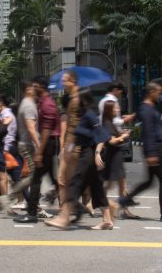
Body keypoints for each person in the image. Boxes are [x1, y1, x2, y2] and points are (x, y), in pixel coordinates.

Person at [45, 92, 113, 230]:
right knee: (97, 187)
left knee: (75, 183)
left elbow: (102, 135)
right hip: (83, 151)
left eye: (75, 101)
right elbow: (77, 139)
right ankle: (107, 220)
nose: (72, 103)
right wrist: (66, 151)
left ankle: (64, 217)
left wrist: (97, 153)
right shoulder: (80, 117)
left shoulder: (89, 115)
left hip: (89, 153)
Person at [118, 81, 162, 223]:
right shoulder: (147, 109)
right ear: (152, 92)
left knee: (149, 182)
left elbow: (155, 127)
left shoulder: (149, 108)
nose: (159, 95)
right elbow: (148, 132)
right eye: (158, 92)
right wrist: (151, 153)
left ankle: (126, 199)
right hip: (155, 150)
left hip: (154, 149)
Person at [20, 77, 59, 223]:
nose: (33, 88)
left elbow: (47, 130)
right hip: (48, 144)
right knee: (51, 179)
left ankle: (31, 213)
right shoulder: (42, 103)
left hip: (48, 144)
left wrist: (39, 151)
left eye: (35, 85)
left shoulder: (47, 104)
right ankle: (73, 204)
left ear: (42, 87)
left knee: (37, 179)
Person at [4, 81, 40, 212]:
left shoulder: (27, 103)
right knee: (33, 176)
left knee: (30, 176)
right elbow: (31, 128)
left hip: (26, 144)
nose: (36, 89)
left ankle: (33, 204)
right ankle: (10, 198)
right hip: (28, 144)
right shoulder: (28, 105)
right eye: (33, 87)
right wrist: (39, 145)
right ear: (28, 90)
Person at [99, 100, 132, 219]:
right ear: (110, 110)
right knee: (110, 185)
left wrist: (121, 134)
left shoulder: (110, 123)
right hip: (113, 157)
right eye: (116, 108)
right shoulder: (107, 123)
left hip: (115, 156)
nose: (118, 110)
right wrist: (122, 137)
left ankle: (123, 209)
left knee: (120, 184)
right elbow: (111, 141)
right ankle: (110, 205)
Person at [57, 71, 82, 207]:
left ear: (73, 81)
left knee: (64, 179)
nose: (63, 83)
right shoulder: (75, 99)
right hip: (73, 147)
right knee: (67, 179)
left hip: (73, 148)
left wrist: (66, 149)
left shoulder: (76, 101)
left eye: (65, 80)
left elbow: (71, 129)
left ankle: (67, 209)